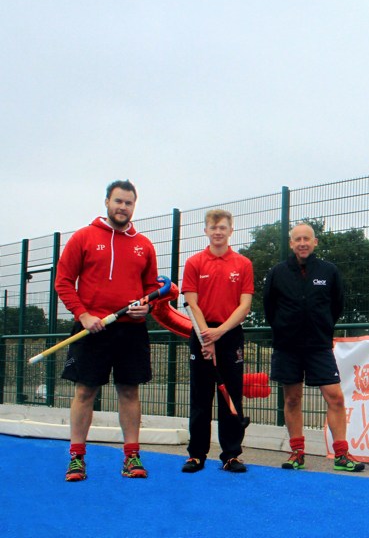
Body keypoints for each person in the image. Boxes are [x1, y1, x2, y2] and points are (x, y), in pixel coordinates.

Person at [55, 180, 161, 482]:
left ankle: (132, 456)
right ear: (107, 202)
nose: (123, 207)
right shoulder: (84, 237)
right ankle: (76, 458)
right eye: (118, 201)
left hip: (131, 331)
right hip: (93, 330)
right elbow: (63, 281)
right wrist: (83, 314)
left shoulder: (144, 244)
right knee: (85, 391)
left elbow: (152, 289)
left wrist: (147, 307)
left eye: (128, 203)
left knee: (129, 391)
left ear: (134, 206)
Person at [262, 223, 364, 472]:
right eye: (297, 239)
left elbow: (337, 305)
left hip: (319, 345)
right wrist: (285, 328)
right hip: (287, 346)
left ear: (315, 242)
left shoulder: (329, 271)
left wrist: (321, 327)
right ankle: (297, 453)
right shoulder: (277, 272)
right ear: (291, 244)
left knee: (335, 397)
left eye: (306, 239)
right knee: (292, 399)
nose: (302, 243)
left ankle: (341, 455)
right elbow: (269, 308)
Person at [180, 209, 254, 474]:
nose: (218, 232)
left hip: (229, 334)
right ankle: (196, 454)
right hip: (202, 334)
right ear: (206, 231)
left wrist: (219, 332)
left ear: (231, 230)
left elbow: (245, 305)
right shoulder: (194, 263)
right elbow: (191, 303)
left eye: (223, 227)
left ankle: (231, 455)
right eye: (213, 228)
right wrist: (206, 336)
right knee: (200, 396)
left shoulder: (243, 264)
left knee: (231, 396)